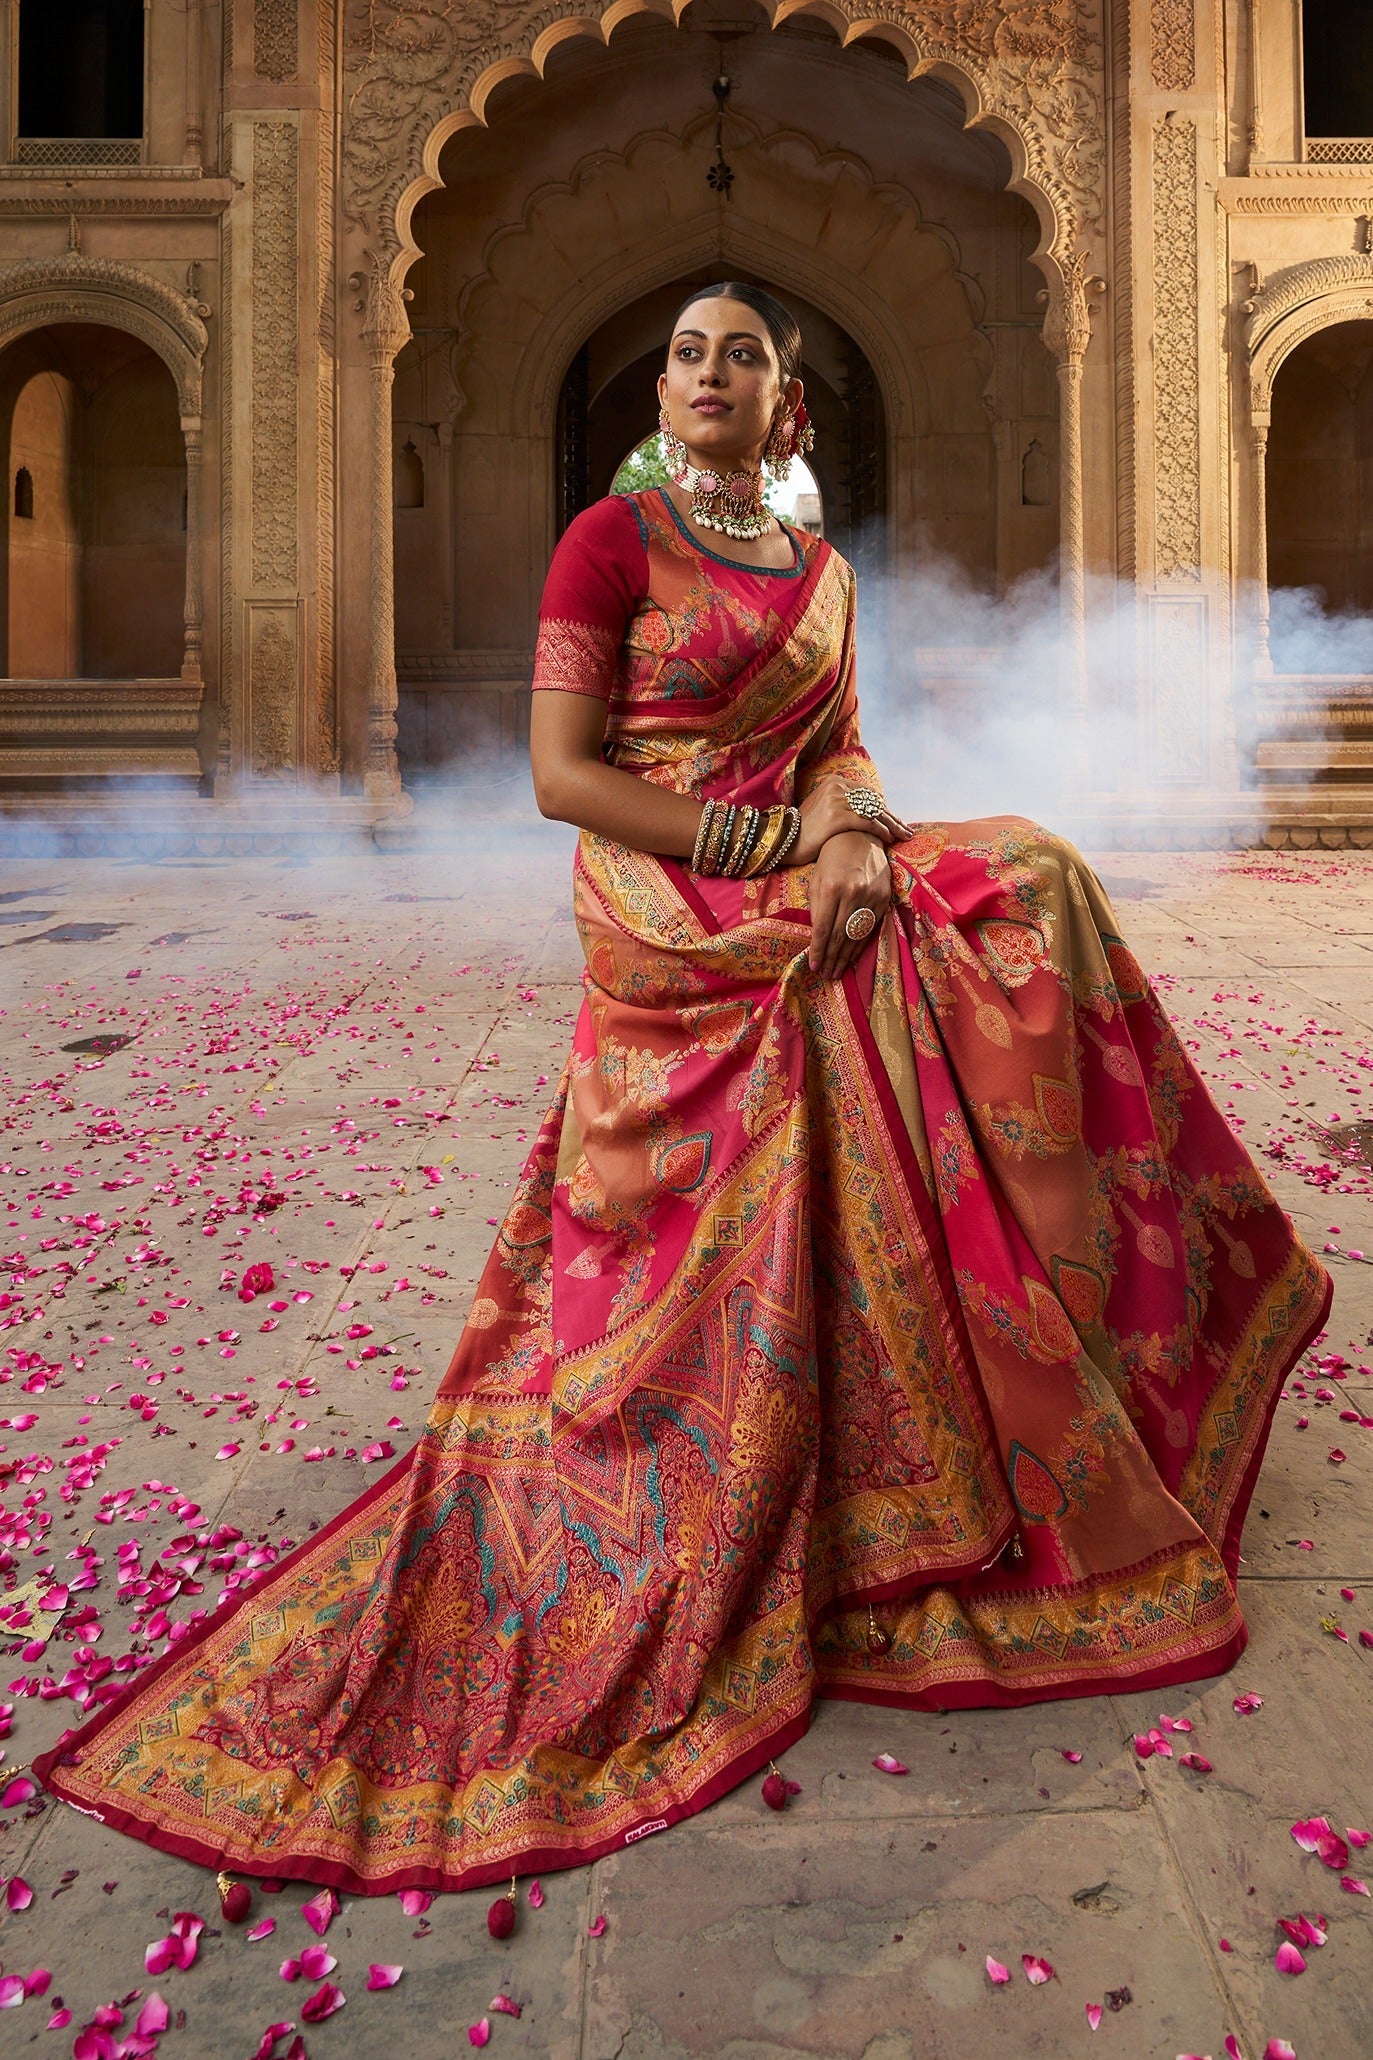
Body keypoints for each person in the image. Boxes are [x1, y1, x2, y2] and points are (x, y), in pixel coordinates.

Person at [36, 283, 1330, 1898]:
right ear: (664, 392)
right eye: (685, 354)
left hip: (798, 858)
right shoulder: (609, 543)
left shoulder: (822, 572)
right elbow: (560, 776)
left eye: (743, 356)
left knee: (1035, 880)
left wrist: (852, 828)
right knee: (877, 978)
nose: (708, 372)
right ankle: (919, 1371)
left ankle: (1055, 1330)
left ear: (786, 405)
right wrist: (779, 847)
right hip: (663, 888)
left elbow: (840, 747)